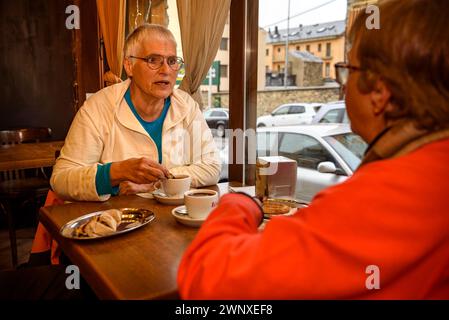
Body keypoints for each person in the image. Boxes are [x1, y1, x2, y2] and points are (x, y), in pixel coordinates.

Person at [177, 0, 449, 299]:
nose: (342, 87)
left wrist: (240, 204)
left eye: (347, 71)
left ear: (379, 92)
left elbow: (206, 278)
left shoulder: (391, 197)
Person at [51, 23, 220, 201]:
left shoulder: (186, 105)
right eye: (153, 60)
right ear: (129, 66)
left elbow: (212, 166)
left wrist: (155, 182)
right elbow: (61, 179)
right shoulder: (99, 107)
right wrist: (115, 172)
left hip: (173, 220)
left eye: (171, 61)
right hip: (116, 221)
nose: (166, 71)